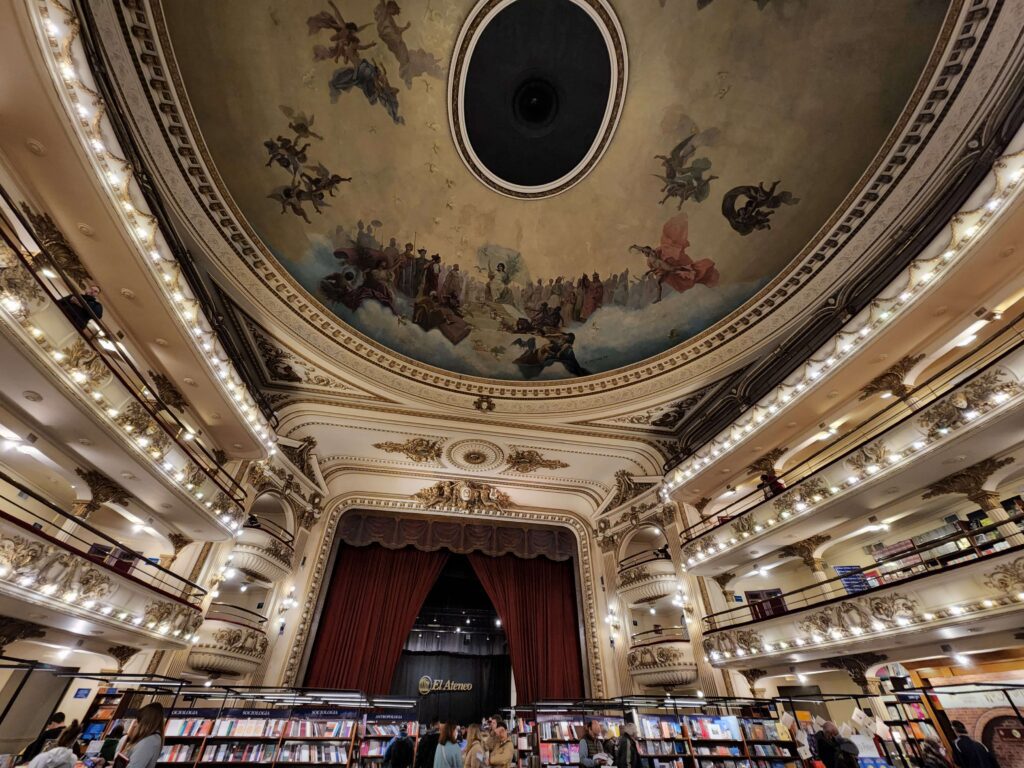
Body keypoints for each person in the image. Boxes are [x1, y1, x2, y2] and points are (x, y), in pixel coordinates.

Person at [117, 702, 164, 768]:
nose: (135, 725)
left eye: (138, 721)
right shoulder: (149, 739)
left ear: (145, 722)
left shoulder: (149, 742)